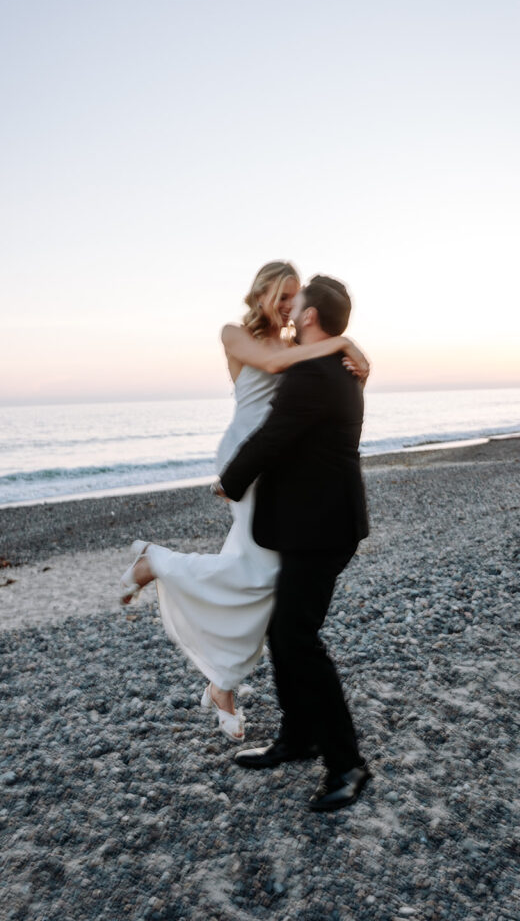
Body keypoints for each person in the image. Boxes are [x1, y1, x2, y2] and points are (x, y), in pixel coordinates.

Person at [120, 262, 369, 743]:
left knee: (268, 581)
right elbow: (275, 369)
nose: (288, 304)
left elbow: (324, 389)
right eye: (282, 295)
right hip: (247, 455)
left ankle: (223, 684)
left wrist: (354, 359)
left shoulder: (300, 344)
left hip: (278, 463)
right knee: (263, 576)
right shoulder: (235, 335)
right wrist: (343, 342)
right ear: (260, 296)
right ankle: (158, 563)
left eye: (295, 296)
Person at [214, 274, 370, 812]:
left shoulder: (316, 372)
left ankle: (347, 764)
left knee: (298, 637)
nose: (288, 309)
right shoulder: (336, 366)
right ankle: (298, 738)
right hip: (318, 522)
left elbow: (274, 437)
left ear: (307, 317)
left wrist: (228, 481)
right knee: (286, 633)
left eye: (295, 302)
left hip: (322, 529)